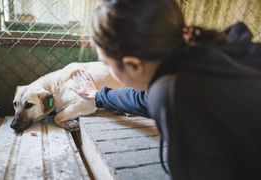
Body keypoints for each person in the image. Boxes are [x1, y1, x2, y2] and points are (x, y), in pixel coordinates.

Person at [70, 0, 261, 179]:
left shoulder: (173, 91)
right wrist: (99, 95)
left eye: (106, 63)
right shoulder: (198, 53)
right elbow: (141, 98)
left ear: (133, 65)